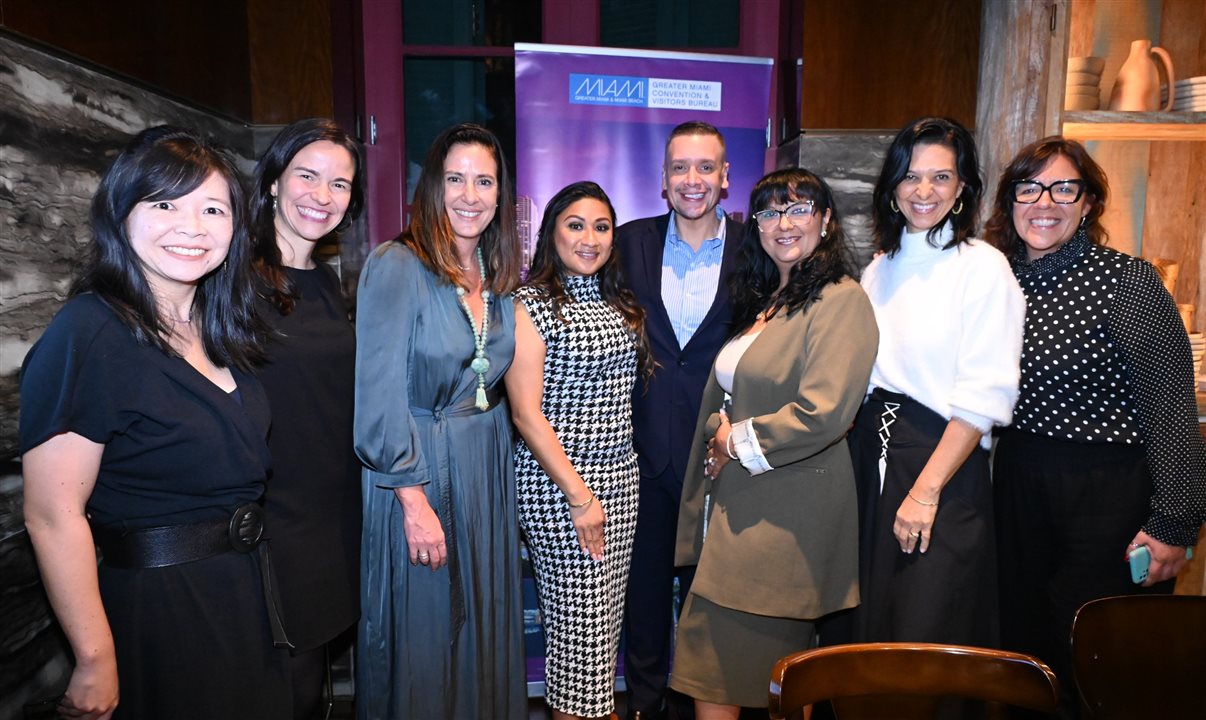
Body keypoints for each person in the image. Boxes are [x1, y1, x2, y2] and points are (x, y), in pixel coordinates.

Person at [20, 125, 290, 719]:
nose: (191, 227)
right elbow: (51, 513)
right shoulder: (90, 332)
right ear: (121, 214)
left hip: (242, 595)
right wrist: (94, 657)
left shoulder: (222, 332)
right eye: (165, 203)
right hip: (161, 607)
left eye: (212, 208)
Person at [985, 137, 1206, 715]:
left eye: (1064, 188)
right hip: (1015, 484)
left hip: (1105, 495)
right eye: (1029, 188)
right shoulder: (995, 280)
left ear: (1088, 203)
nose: (1045, 202)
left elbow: (1171, 407)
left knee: (1093, 658)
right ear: (1010, 202)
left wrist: (1175, 522)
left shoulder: (1125, 282)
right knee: (1019, 654)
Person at [669, 168, 878, 719]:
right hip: (741, 511)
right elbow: (743, 389)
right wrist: (722, 423)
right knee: (720, 670)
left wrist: (732, 438)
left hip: (786, 522)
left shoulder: (840, 300)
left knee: (763, 680)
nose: (783, 224)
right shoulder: (772, 300)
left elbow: (825, 412)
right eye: (768, 212)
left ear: (827, 219)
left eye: (799, 208)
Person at [353, 122, 525, 720]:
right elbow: (377, 396)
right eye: (456, 178)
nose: (470, 195)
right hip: (418, 475)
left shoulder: (498, 279)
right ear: (432, 186)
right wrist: (412, 498)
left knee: (481, 629)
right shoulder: (397, 264)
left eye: (485, 181)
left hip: (484, 473)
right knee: (426, 634)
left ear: (502, 195)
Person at [851, 117, 1025, 647]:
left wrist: (925, 491)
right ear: (892, 187)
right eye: (910, 176)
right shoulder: (878, 269)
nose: (923, 191)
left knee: (927, 630)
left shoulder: (984, 268)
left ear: (964, 187)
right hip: (870, 459)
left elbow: (985, 396)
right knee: (870, 629)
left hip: (940, 467)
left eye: (941, 177)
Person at [507, 181, 653, 720]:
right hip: (561, 487)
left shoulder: (618, 301)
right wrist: (579, 496)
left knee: (597, 637)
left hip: (620, 480)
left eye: (601, 226)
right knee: (580, 643)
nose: (588, 238)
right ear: (551, 233)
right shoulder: (531, 303)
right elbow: (526, 414)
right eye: (575, 224)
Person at [615, 120, 744, 720]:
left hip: (721, 452)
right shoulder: (624, 242)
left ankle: (701, 701)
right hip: (639, 446)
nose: (692, 180)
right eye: (679, 168)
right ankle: (644, 702)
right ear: (662, 180)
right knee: (640, 590)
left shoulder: (757, 246)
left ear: (725, 178)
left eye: (704, 168)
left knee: (708, 592)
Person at [250, 118, 365, 719]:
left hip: (331, 513)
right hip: (272, 520)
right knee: (278, 687)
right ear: (273, 180)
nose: (323, 196)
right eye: (309, 176)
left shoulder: (325, 280)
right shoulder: (229, 280)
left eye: (340, 185)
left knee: (310, 688)